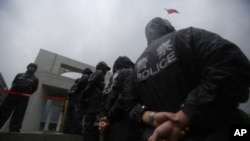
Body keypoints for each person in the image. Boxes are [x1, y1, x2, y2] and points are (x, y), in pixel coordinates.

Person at [123, 17, 250, 141]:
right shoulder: (186, 37)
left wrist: (152, 117)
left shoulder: (136, 68)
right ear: (168, 27)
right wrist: (183, 116)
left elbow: (130, 105)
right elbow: (234, 64)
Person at [98, 56, 141, 141]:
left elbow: (102, 104)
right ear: (127, 65)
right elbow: (126, 97)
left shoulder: (108, 82)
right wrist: (109, 117)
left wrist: (103, 120)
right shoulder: (128, 72)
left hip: (108, 128)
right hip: (123, 126)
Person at [0, 63, 39, 132]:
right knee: (4, 111)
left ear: (35, 69)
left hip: (23, 97)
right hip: (12, 96)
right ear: (28, 67)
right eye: (31, 66)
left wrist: (27, 92)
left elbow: (34, 89)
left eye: (33, 67)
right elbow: (14, 83)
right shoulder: (19, 75)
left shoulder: (35, 79)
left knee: (19, 113)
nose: (31, 68)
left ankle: (14, 129)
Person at [82, 61, 110, 141]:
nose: (106, 71)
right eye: (105, 68)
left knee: (92, 130)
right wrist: (85, 98)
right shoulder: (99, 72)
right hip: (93, 107)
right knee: (91, 130)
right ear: (102, 67)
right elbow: (91, 86)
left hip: (94, 107)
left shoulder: (97, 75)